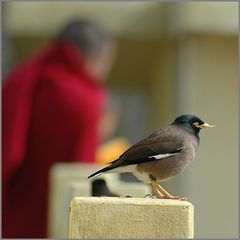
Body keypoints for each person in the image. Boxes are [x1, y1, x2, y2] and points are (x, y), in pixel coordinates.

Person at [2, 19, 116, 238]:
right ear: (92, 58)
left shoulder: (18, 78)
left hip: (13, 212)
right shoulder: (86, 99)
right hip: (53, 222)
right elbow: (84, 170)